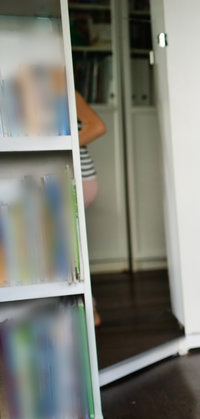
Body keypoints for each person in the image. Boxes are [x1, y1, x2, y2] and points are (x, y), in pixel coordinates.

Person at [75, 90, 106, 325]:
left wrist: (61, 145)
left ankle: (89, 311)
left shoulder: (62, 86)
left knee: (69, 248)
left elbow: (97, 127)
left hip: (81, 180)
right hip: (74, 179)